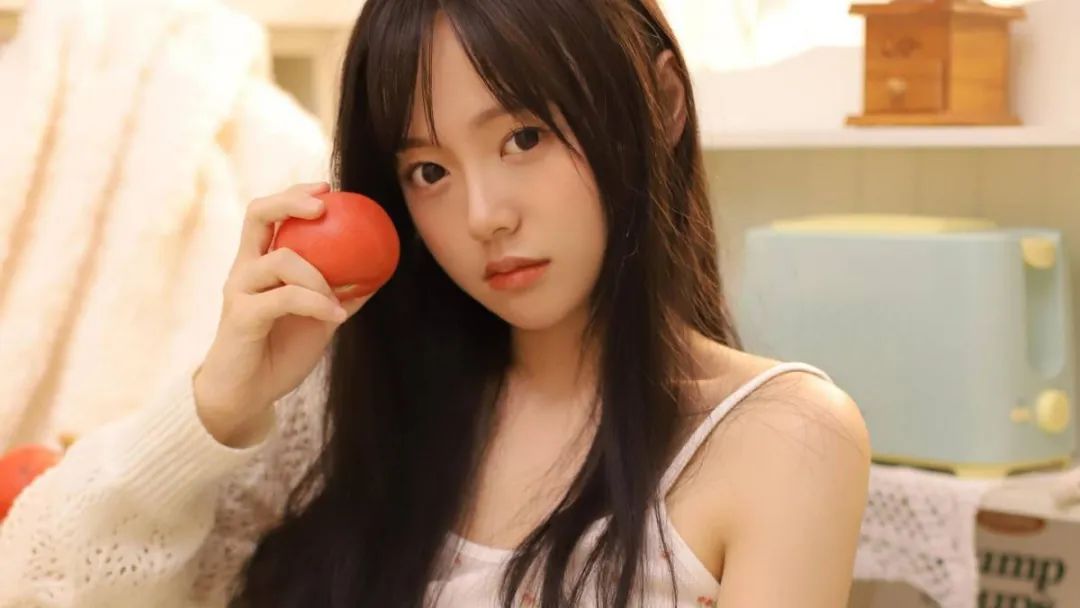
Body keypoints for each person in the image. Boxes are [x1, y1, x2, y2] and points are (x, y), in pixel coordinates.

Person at [0, 0, 870, 606]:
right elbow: (37, 585)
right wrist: (216, 408)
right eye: (428, 171)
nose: (484, 215)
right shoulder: (341, 408)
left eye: (523, 136)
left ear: (664, 102)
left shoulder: (781, 436)